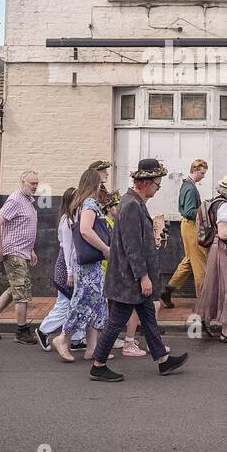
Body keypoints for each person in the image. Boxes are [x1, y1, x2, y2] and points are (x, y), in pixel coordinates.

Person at [88, 158, 188, 382]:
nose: (158, 188)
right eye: (157, 184)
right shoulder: (131, 205)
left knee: (149, 317)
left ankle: (162, 360)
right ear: (145, 182)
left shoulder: (133, 202)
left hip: (128, 276)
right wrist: (143, 277)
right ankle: (98, 365)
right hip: (129, 278)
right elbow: (132, 245)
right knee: (116, 321)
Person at [53, 168, 112, 363]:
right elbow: (86, 230)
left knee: (95, 303)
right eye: (101, 181)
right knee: (84, 301)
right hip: (88, 265)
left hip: (87, 263)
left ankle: (92, 348)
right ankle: (63, 338)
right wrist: (105, 248)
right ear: (94, 184)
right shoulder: (89, 203)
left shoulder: (79, 204)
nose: (102, 185)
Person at [0, 168, 40, 345]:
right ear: (22, 183)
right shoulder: (15, 199)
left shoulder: (28, 200)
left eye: (36, 183)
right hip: (13, 252)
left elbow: (24, 227)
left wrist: (31, 249)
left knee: (15, 289)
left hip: (23, 251)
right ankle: (22, 331)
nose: (35, 186)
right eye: (32, 183)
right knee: (22, 292)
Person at [193, 175, 227, 343]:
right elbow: (223, 233)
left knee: (214, 286)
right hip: (225, 250)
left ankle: (206, 320)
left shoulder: (215, 203)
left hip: (217, 249)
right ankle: (226, 331)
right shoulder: (224, 207)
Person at [36, 187, 88, 353]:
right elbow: (66, 249)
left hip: (73, 265)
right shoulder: (67, 221)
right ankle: (44, 330)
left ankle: (77, 338)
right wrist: (70, 272)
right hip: (66, 267)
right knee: (65, 304)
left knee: (78, 303)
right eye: (77, 198)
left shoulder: (76, 218)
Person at [160, 158, 207, 308]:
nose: (203, 176)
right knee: (199, 264)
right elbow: (189, 211)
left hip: (187, 226)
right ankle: (202, 302)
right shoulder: (190, 188)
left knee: (188, 260)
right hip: (192, 226)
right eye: (202, 173)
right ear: (194, 170)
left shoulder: (187, 185)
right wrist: (204, 209)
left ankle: (167, 290)